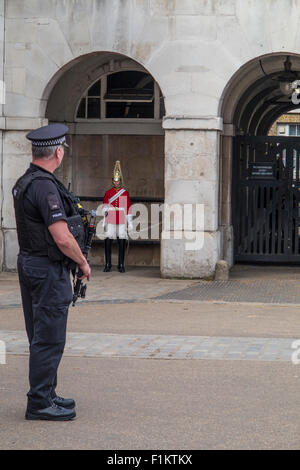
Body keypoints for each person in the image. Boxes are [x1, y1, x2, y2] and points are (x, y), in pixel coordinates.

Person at [12, 123, 91, 421]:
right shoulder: (44, 186)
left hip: (31, 263)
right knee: (49, 337)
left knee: (40, 333)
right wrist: (82, 263)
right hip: (47, 269)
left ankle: (47, 393)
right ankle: (39, 402)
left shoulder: (26, 181)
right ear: (58, 152)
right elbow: (61, 236)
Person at [102, 160, 132, 273]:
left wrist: (130, 222)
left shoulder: (124, 193)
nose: (116, 183)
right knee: (108, 239)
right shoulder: (108, 192)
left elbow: (128, 207)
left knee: (121, 239)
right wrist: (106, 213)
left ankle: (121, 264)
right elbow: (105, 206)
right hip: (111, 217)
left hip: (121, 218)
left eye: (118, 180)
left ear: (120, 181)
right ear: (112, 181)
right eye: (114, 181)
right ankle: (108, 263)